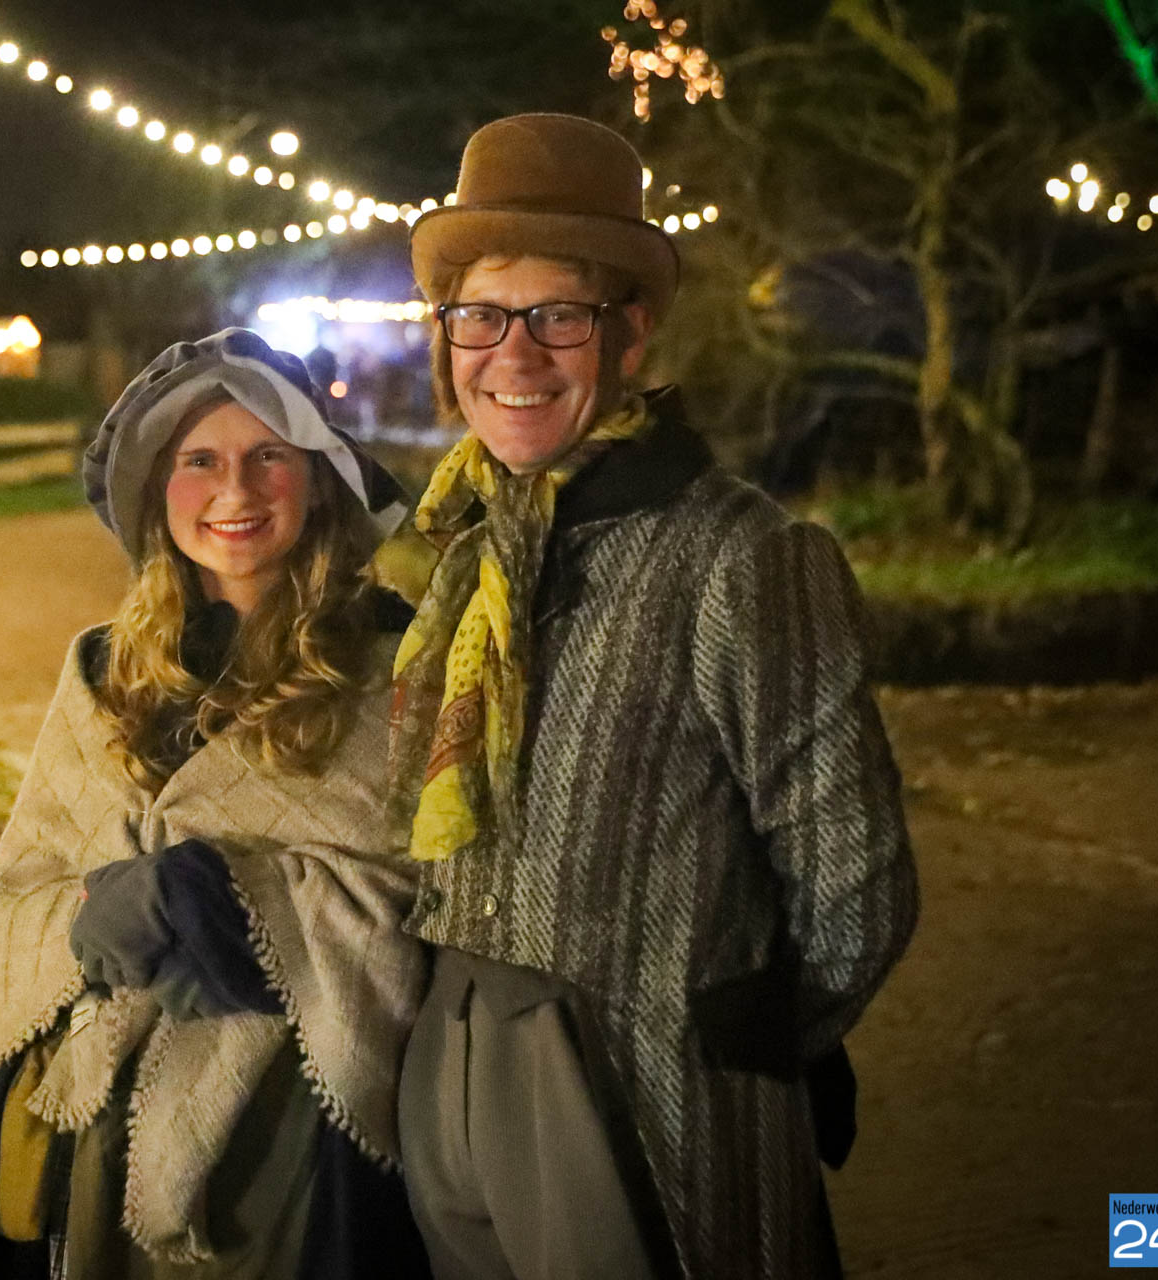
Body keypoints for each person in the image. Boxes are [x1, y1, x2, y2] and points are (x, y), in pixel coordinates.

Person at [384, 114, 920, 1279]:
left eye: (558, 316)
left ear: (629, 332)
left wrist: (740, 1037)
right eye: (481, 315)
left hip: (637, 1067)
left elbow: (857, 877)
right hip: (449, 1050)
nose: (514, 355)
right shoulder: (472, 550)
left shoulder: (740, 555)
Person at [0, 328, 433, 1279]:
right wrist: (94, 910)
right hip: (94, 1124)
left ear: (319, 480)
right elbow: (25, 884)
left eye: (269, 455)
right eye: (200, 461)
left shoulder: (397, 666)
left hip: (298, 1144)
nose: (236, 490)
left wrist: (225, 901)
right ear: (157, 489)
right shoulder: (107, 672)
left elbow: (423, 895)